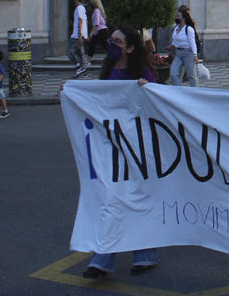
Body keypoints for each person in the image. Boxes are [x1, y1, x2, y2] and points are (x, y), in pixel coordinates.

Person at [83, 26, 159, 280]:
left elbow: (158, 103)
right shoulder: (108, 71)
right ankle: (103, 259)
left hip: (137, 147)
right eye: (111, 40)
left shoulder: (142, 72)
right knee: (113, 198)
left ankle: (143, 254)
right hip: (111, 146)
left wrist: (147, 88)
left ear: (130, 47)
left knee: (134, 198)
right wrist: (74, 94)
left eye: (117, 41)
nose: (112, 44)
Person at [169, 6, 199, 87]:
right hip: (178, 53)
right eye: (177, 16)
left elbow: (192, 43)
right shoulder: (176, 28)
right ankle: (181, 90)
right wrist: (171, 46)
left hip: (188, 53)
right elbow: (175, 40)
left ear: (184, 18)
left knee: (191, 75)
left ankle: (195, 92)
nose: (177, 18)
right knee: (173, 74)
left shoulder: (189, 29)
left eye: (179, 16)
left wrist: (195, 55)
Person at [68, 0, 89, 77]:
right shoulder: (82, 8)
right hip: (80, 34)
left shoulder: (79, 8)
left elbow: (81, 21)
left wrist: (80, 34)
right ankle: (83, 70)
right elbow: (85, 21)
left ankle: (79, 66)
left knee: (69, 51)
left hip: (77, 35)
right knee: (79, 52)